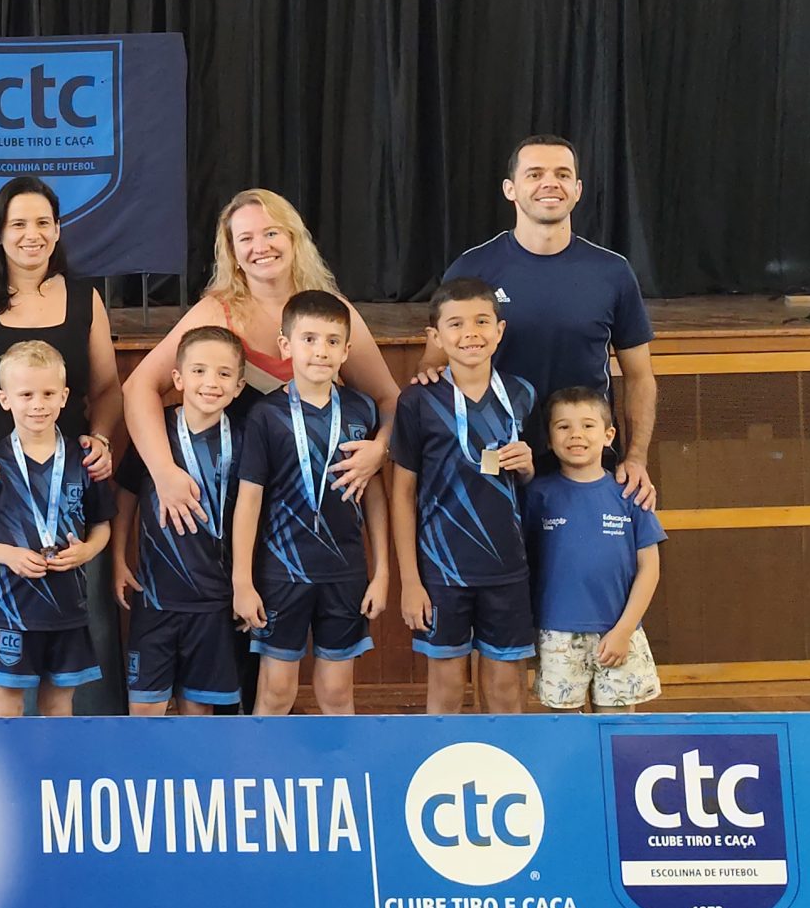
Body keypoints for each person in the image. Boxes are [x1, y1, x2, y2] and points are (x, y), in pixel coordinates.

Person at [0, 175, 124, 716]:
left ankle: (75, 736)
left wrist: (102, 438)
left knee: (75, 604)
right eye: (18, 224)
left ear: (57, 231)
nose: (32, 234)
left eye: (42, 223)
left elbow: (107, 389)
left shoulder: (85, 299)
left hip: (69, 483)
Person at [123, 190, 398, 536]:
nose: (261, 247)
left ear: (294, 238)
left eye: (271, 233)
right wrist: (164, 471)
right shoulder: (215, 313)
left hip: (304, 520)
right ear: (232, 253)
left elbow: (389, 398)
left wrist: (381, 449)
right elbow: (138, 386)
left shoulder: (331, 313)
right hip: (233, 513)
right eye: (246, 238)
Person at [435, 136, 658, 494]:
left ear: (578, 190)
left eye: (562, 174)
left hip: (583, 463)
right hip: (498, 461)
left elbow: (640, 377)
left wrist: (636, 458)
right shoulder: (471, 269)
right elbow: (433, 365)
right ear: (510, 189)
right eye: (535, 174)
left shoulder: (613, 272)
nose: (550, 183)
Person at [231, 292, 388, 715]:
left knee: (337, 694)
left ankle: (344, 760)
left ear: (346, 351)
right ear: (286, 346)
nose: (321, 351)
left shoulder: (361, 409)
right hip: (283, 572)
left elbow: (375, 495)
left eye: (333, 341)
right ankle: (262, 759)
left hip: (346, 573)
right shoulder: (265, 415)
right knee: (276, 693)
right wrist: (242, 581)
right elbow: (249, 500)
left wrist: (382, 572)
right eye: (309, 339)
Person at [389, 278, 537, 715]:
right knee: (447, 687)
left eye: (481, 322)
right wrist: (411, 581)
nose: (470, 333)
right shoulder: (417, 401)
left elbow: (531, 483)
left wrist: (528, 467)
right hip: (442, 571)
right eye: (455, 324)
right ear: (435, 337)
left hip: (507, 567)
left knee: (505, 688)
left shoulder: (523, 394)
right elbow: (402, 492)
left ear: (500, 330)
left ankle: (507, 759)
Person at [0, 341, 113, 718]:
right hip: (11, 608)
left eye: (48, 394)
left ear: (64, 397)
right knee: (5, 703)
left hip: (68, 609)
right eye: (26, 394)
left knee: (58, 704)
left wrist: (87, 550)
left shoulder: (84, 459)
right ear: (4, 399)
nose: (38, 404)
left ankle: (53, 761)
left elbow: (103, 526)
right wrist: (9, 555)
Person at [114, 325, 248, 716]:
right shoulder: (153, 432)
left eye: (224, 373)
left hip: (214, 604)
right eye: (199, 371)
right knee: (145, 713)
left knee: (198, 716)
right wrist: (118, 560)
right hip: (155, 600)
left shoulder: (245, 439)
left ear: (239, 386)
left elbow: (253, 515)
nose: (211, 382)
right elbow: (126, 495)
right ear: (177, 378)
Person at [526, 387, 665, 712]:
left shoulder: (630, 494)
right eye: (563, 426)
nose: (576, 435)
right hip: (557, 634)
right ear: (549, 439)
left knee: (617, 730)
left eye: (588, 425)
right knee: (564, 731)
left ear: (608, 435)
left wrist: (624, 630)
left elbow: (650, 568)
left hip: (619, 631)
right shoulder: (537, 495)